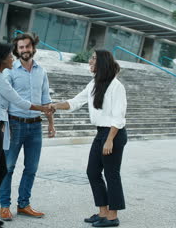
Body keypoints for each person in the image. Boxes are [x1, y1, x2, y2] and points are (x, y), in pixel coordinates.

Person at [0, 42, 52, 228]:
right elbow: (18, 101)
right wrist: (43, 108)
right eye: (9, 55)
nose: (12, 57)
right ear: (0, 58)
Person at [51, 49, 128, 227]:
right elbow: (75, 102)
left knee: (111, 174)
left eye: (93, 58)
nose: (90, 61)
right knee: (92, 172)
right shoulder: (94, 83)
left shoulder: (116, 86)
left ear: (102, 62)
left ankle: (112, 217)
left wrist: (110, 140)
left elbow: (119, 117)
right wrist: (55, 105)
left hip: (113, 134)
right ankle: (102, 212)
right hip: (101, 133)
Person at [0, 32, 55, 221]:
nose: (24, 50)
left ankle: (24, 205)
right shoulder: (10, 70)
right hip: (15, 124)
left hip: (35, 126)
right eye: (21, 47)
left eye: (27, 46)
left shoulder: (41, 71)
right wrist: (3, 125)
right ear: (17, 50)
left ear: (33, 48)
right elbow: (4, 99)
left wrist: (51, 125)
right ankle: (4, 206)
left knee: (31, 168)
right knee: (8, 167)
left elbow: (46, 101)